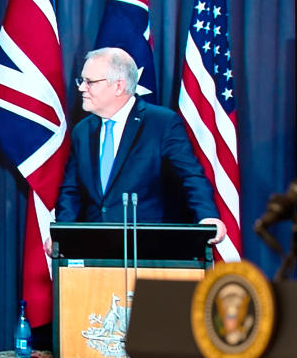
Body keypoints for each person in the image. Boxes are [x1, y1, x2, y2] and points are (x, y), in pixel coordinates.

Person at [51, 47, 225, 247]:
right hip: (95, 253)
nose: (82, 88)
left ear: (118, 86)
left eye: (90, 82)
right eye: (81, 81)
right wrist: (62, 234)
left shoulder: (161, 123)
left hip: (148, 251)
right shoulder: (82, 131)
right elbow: (70, 191)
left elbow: (191, 176)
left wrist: (207, 217)